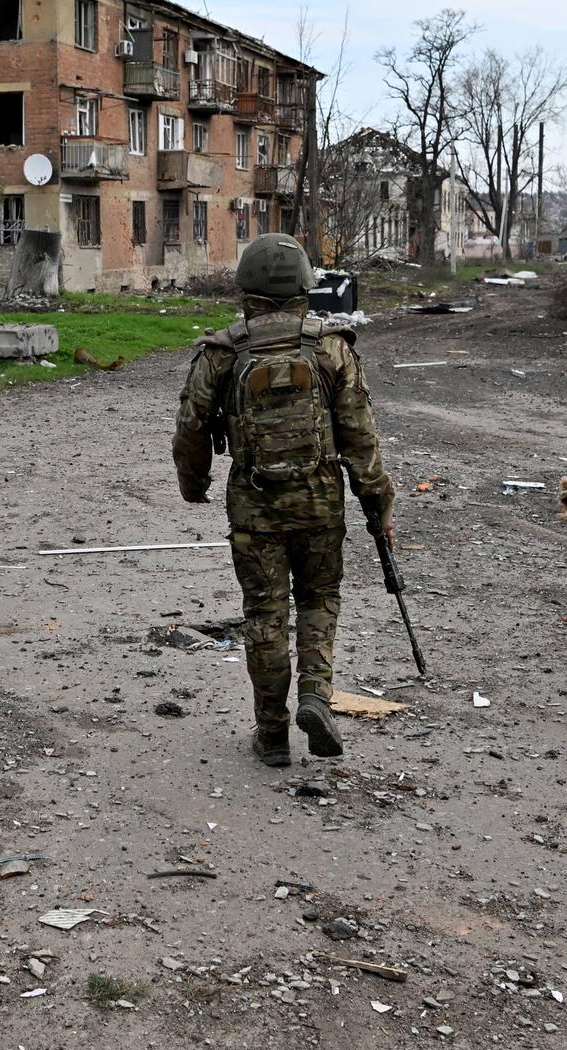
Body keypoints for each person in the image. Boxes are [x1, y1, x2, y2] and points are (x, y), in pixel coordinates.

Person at [173, 234, 396, 767]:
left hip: (254, 507)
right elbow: (360, 437)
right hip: (320, 503)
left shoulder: (221, 354)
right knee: (319, 598)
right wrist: (378, 503)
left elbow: (191, 430)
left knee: (264, 613)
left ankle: (272, 734)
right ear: (303, 287)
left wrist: (194, 485)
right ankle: (316, 695)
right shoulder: (331, 348)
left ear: (245, 288)